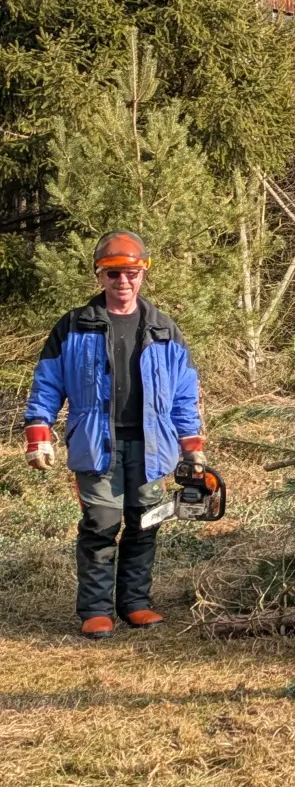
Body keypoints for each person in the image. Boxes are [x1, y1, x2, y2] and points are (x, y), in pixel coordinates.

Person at [23, 231, 206, 639]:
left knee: (146, 523)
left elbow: (184, 394)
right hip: (95, 442)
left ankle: (135, 604)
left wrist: (191, 447)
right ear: (99, 275)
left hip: (152, 444)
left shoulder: (163, 329)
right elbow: (48, 384)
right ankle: (95, 609)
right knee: (101, 522)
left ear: (142, 275)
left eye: (130, 273)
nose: (122, 282)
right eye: (113, 274)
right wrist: (39, 433)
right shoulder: (74, 326)